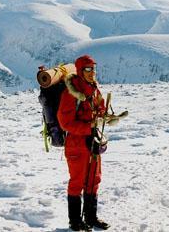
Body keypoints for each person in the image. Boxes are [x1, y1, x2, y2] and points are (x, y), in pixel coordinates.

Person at [57, 55, 110, 231]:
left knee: (93, 180)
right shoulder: (70, 93)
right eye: (88, 69)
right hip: (76, 144)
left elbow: (100, 107)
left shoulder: (94, 89)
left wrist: (105, 115)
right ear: (80, 71)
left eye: (93, 68)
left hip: (92, 141)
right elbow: (65, 122)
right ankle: (75, 221)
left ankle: (91, 217)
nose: (92, 72)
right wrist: (89, 127)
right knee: (77, 182)